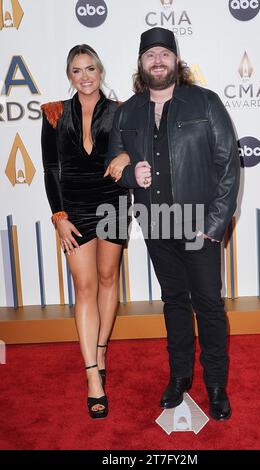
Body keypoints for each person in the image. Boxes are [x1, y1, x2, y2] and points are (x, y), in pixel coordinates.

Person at [107, 28, 240, 421]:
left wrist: (214, 225)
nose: (158, 60)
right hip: (156, 226)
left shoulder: (206, 102)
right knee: (174, 304)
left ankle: (216, 384)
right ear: (141, 64)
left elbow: (228, 167)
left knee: (210, 306)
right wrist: (133, 176)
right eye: (151, 55)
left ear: (175, 61)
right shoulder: (127, 111)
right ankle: (180, 376)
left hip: (200, 228)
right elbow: (115, 164)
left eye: (165, 53)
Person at [41, 44, 130, 420]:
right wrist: (58, 216)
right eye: (77, 70)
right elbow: (50, 169)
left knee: (109, 278)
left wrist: (126, 156)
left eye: (90, 68)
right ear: (69, 76)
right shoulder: (54, 113)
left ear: (100, 70)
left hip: (113, 203)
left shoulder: (121, 111)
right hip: (74, 208)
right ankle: (93, 377)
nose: (85, 76)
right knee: (85, 286)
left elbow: (138, 148)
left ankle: (101, 349)